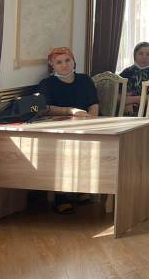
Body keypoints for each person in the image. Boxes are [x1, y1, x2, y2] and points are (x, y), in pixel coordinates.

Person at [38, 47, 99, 213]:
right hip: (60, 127)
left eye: (67, 60)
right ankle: (61, 195)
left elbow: (93, 104)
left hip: (86, 124)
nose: (64, 65)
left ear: (74, 62)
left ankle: (80, 188)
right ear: (52, 66)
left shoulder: (85, 80)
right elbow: (45, 108)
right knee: (62, 150)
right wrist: (70, 111)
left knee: (89, 146)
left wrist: (92, 122)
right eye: (59, 62)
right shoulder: (46, 84)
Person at [119, 41, 149, 114]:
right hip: (127, 110)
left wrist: (128, 101)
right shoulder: (126, 72)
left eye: (148, 54)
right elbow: (117, 96)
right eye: (141, 54)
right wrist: (126, 104)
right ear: (135, 55)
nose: (144, 57)